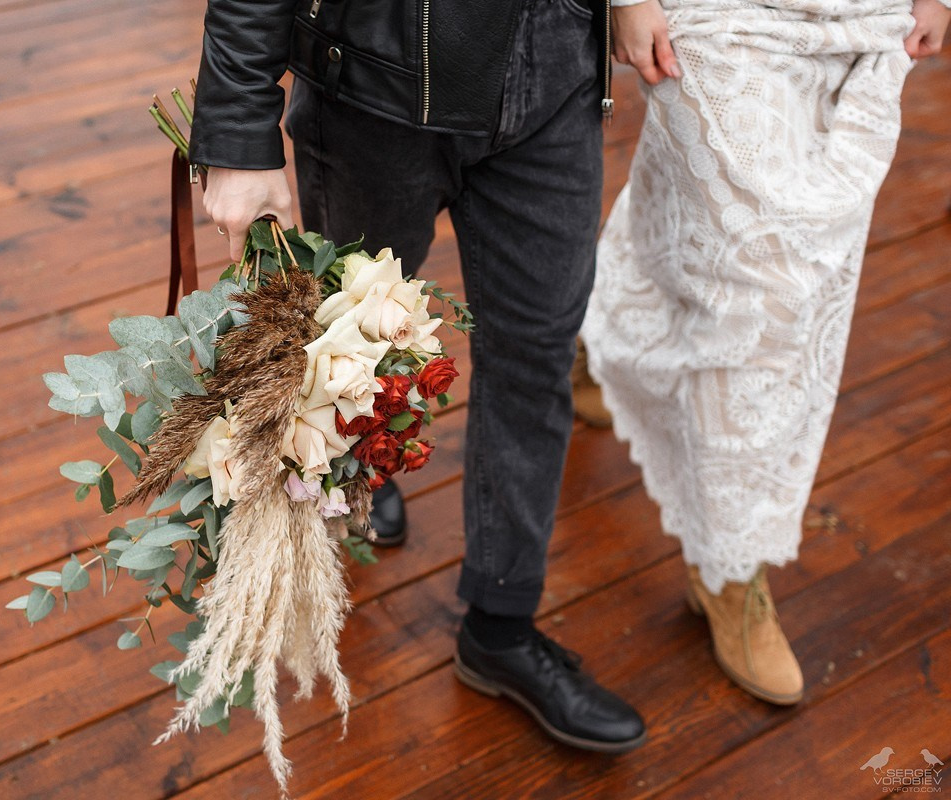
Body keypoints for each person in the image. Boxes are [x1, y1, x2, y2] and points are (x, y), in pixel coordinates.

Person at [187, 0, 655, 752]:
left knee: (536, 357)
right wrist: (239, 127)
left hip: (555, 73)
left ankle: (501, 626)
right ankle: (367, 480)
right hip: (375, 87)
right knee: (351, 341)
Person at [584, 0, 950, 704]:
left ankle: (597, 324)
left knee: (746, 252)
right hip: (720, 15)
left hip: (864, 22)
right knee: (763, 290)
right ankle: (730, 567)